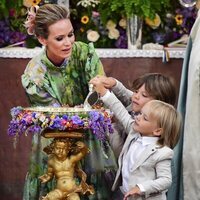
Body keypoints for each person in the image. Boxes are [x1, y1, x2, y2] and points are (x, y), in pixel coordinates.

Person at [21, 3, 117, 200]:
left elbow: (100, 97)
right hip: (56, 143)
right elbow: (57, 119)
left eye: (71, 34)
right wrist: (85, 108)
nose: (68, 43)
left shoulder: (85, 53)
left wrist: (95, 97)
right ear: (42, 39)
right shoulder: (34, 75)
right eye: (59, 38)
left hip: (91, 138)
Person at [90, 78, 181, 199]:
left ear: (158, 130)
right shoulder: (136, 131)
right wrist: (116, 85)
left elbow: (165, 180)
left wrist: (141, 188)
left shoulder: (163, 152)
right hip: (125, 193)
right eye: (140, 115)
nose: (137, 118)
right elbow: (123, 109)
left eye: (145, 118)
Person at [91, 73, 177, 158]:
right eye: (136, 91)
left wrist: (105, 94)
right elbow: (129, 97)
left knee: (106, 126)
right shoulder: (141, 106)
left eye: (144, 95)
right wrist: (114, 84)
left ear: (158, 104)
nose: (136, 96)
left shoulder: (150, 126)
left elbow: (126, 119)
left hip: (128, 162)